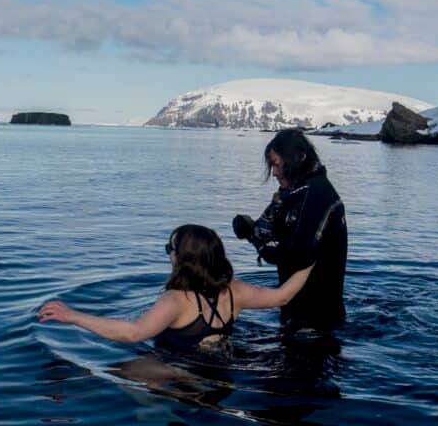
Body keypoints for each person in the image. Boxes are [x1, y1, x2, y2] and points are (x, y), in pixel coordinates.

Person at [37, 224, 314, 350]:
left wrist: (74, 316)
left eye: (170, 248)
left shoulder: (176, 300)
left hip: (181, 375)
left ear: (183, 258)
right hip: (224, 374)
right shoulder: (234, 291)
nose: (168, 253)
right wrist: (312, 258)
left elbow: (133, 333)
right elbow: (283, 296)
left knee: (126, 373)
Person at [232, 128, 347, 331]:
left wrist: (255, 238)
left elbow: (297, 255)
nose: (274, 173)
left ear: (298, 158)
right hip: (300, 314)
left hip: (316, 319)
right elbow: (271, 232)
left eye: (277, 164)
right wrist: (251, 230)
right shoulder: (295, 193)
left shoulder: (316, 193)